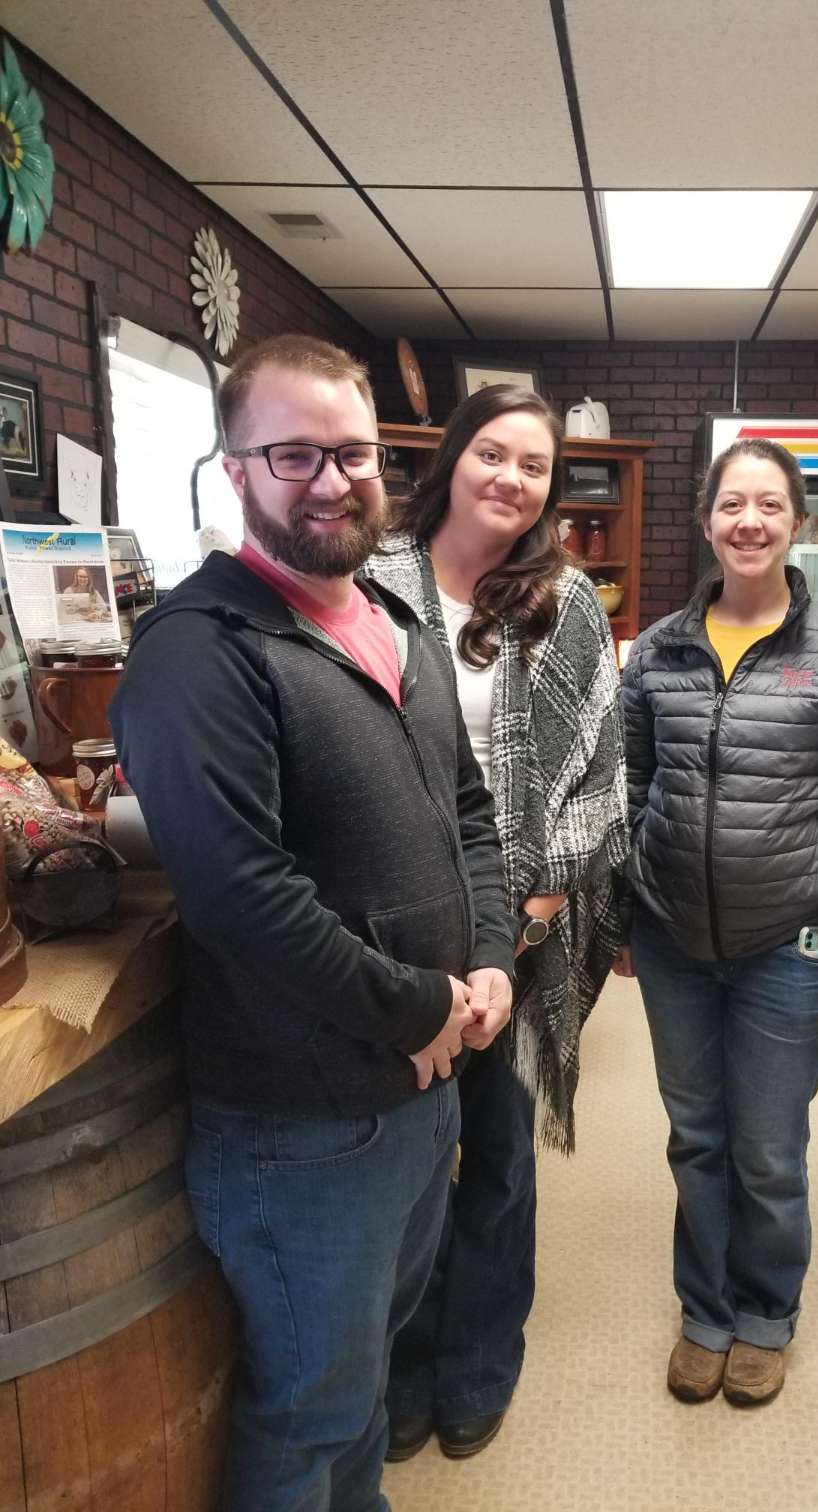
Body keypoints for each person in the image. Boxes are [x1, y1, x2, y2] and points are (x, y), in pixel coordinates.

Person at [110, 334, 516, 1512]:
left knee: (364, 1389)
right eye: (294, 455)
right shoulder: (196, 653)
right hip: (299, 1123)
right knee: (309, 1414)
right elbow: (246, 901)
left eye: (353, 452)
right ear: (234, 469)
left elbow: (472, 816)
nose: (332, 481)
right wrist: (423, 1005)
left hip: (414, 1089)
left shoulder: (398, 621)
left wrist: (488, 959)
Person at [616, 436, 818, 1409]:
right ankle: (704, 1313)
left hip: (790, 943)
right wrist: (619, 911)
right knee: (696, 1137)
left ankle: (766, 1317)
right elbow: (628, 788)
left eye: (769, 506)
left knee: (768, 1149)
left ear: (796, 522)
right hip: (669, 938)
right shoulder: (658, 650)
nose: (748, 521)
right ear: (706, 521)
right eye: (730, 505)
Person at [368, 384, 627, 1460]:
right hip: (391, 922)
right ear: (452, 457)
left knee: (501, 1151)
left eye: (534, 466)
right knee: (407, 1165)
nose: (511, 479)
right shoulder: (370, 578)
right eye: (494, 453)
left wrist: (524, 918)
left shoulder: (560, 602)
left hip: (525, 925)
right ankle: (409, 1364)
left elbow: (603, 777)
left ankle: (478, 1363)